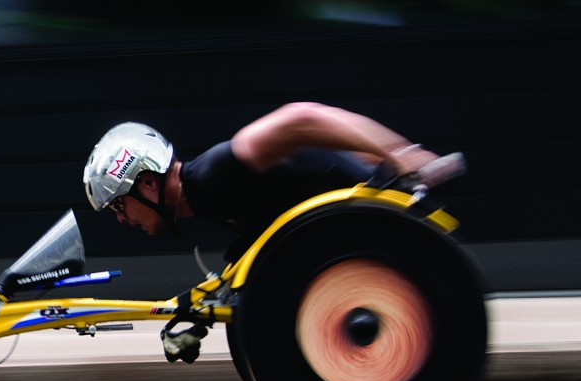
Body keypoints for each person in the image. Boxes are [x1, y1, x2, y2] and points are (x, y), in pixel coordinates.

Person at [82, 102, 464, 362]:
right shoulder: (210, 197)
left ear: (148, 183)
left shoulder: (220, 169)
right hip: (350, 246)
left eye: (118, 204)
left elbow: (303, 116)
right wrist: (195, 317)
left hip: (373, 240)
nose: (121, 219)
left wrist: (400, 155)